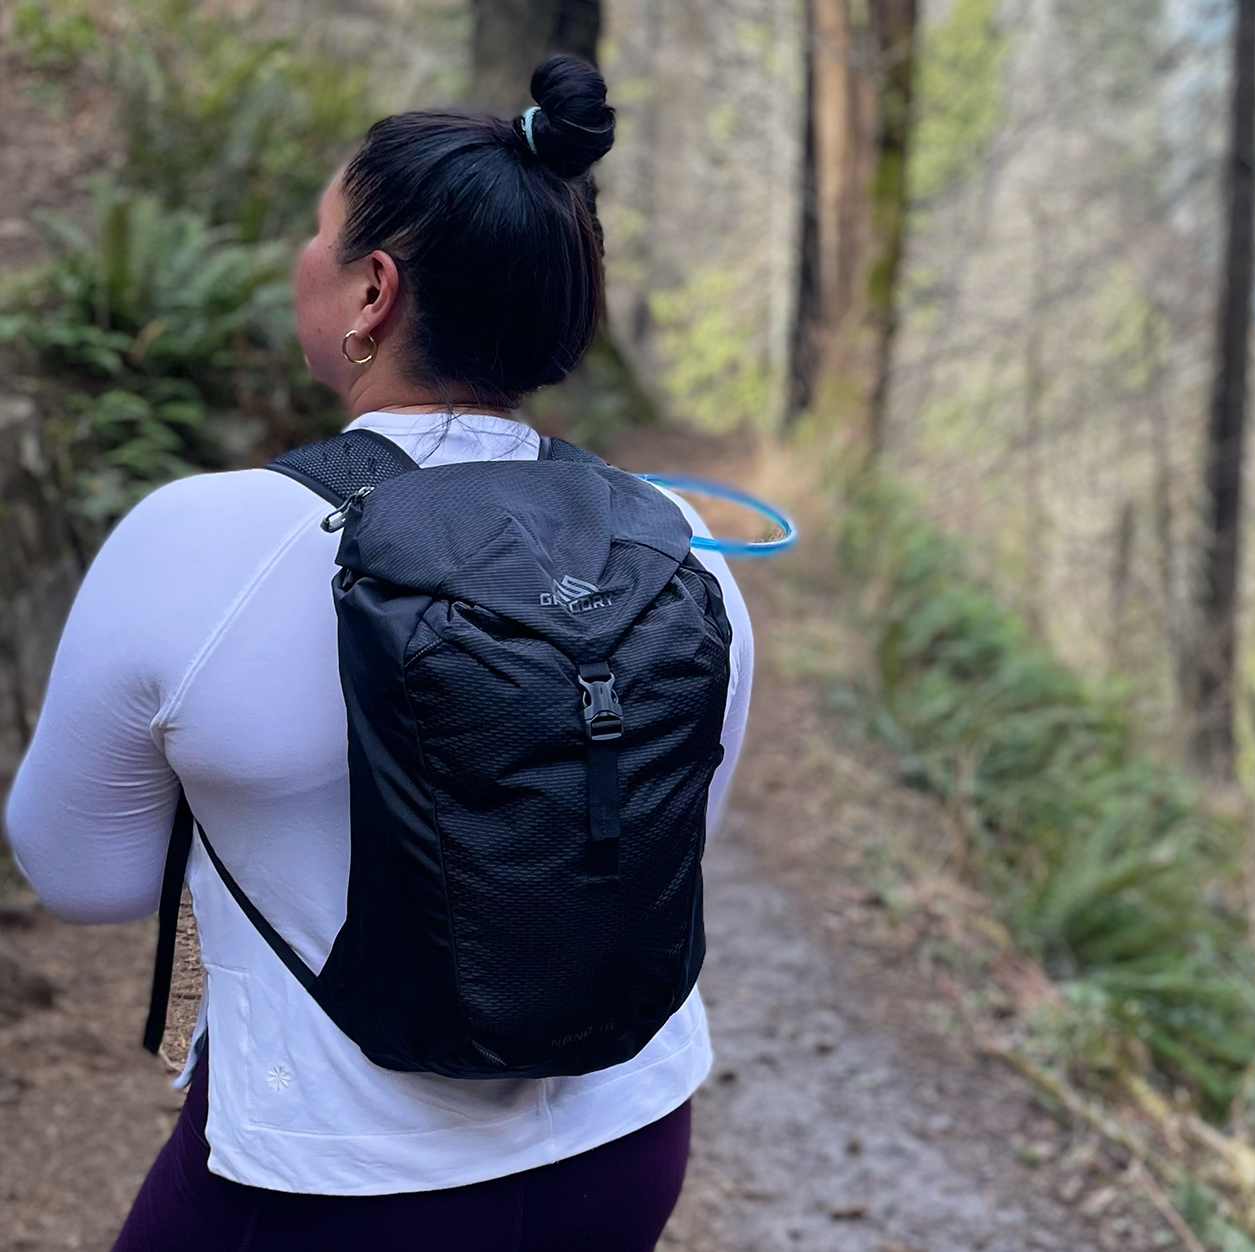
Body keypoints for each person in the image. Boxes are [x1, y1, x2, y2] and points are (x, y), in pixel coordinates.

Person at [3, 56, 751, 1251]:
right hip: (626, 1136)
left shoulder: (201, 539)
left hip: (325, 1182)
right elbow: (655, 838)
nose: (300, 258)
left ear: (370, 293)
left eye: (318, 234)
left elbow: (74, 874)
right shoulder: (676, 542)